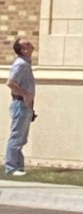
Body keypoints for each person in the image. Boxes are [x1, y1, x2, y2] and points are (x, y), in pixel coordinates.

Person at [4, 38, 36, 176]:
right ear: (23, 50)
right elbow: (10, 82)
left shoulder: (26, 64)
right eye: (27, 44)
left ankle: (19, 167)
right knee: (16, 137)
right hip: (20, 104)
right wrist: (25, 95)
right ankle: (11, 168)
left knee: (21, 138)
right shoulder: (21, 64)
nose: (31, 45)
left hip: (25, 105)